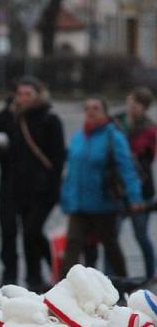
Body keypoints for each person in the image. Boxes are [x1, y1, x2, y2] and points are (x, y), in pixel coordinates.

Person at [0, 76, 65, 291]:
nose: (24, 98)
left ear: (38, 95)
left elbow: (58, 158)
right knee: (9, 232)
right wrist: (3, 153)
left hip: (40, 189)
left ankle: (38, 275)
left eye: (29, 94)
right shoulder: (10, 117)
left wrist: (52, 187)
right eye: (20, 94)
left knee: (31, 232)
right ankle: (10, 275)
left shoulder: (49, 119)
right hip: (11, 187)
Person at [60, 96, 144, 278]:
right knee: (73, 244)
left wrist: (135, 197)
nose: (90, 111)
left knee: (110, 245)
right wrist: (66, 198)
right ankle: (62, 288)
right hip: (79, 205)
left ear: (104, 113)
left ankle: (122, 281)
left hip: (103, 204)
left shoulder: (113, 137)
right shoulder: (78, 138)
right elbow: (71, 172)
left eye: (96, 108)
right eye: (87, 108)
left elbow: (127, 168)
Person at [115, 87, 157, 280]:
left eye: (137, 103)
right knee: (112, 236)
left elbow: (148, 159)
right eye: (129, 101)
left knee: (140, 235)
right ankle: (112, 275)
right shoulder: (116, 122)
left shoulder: (150, 129)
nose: (131, 106)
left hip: (141, 189)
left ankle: (151, 272)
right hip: (117, 189)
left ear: (145, 107)